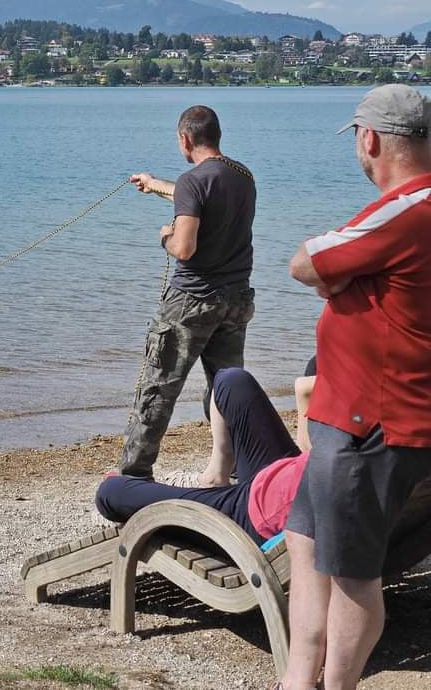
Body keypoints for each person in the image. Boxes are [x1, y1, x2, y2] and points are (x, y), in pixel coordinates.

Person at [281, 84, 431, 690]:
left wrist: (338, 282)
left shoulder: (407, 208)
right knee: (303, 536)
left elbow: (304, 263)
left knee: (352, 576)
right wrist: (348, 284)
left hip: (371, 425)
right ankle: (298, 676)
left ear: (370, 140)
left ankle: (334, 684)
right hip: (357, 417)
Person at [120, 105, 258, 479]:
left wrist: (165, 236)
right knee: (225, 388)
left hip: (192, 301)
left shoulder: (192, 182)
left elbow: (184, 248)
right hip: (236, 299)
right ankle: (231, 470)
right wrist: (153, 183)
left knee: (159, 386)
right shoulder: (243, 176)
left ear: (185, 139)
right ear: (217, 136)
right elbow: (197, 198)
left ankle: (134, 474)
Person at [98, 367, 310, 546]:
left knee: (110, 492)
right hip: (289, 473)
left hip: (258, 511)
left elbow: (306, 393)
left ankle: (218, 495)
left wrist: (307, 390)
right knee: (231, 380)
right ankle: (216, 476)